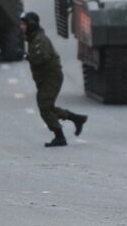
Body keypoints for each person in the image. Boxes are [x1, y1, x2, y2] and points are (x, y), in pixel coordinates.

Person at [21, 12, 86, 147]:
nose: (22, 27)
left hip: (51, 77)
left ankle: (60, 136)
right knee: (47, 106)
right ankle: (76, 118)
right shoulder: (33, 38)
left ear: (31, 25)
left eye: (24, 24)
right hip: (46, 78)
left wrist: (28, 56)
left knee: (44, 107)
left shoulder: (39, 40)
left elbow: (41, 58)